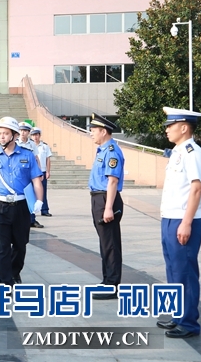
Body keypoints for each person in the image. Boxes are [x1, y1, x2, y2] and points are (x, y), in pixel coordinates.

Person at [156, 107, 201, 338]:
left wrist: (186, 223)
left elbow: (196, 188)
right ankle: (178, 315)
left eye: (171, 125)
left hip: (183, 220)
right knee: (173, 270)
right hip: (169, 218)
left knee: (185, 272)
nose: (167, 129)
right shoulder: (178, 152)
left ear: (184, 127)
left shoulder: (192, 152)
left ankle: (189, 323)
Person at [0, 116, 43, 286]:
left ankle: (15, 272)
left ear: (14, 135)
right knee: (2, 245)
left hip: (21, 206)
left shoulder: (27, 156)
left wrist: (39, 201)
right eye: (0, 134)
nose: (2, 137)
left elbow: (36, 180)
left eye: (6, 133)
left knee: (20, 245)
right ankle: (5, 281)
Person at [88, 113, 124, 300]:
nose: (91, 133)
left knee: (110, 244)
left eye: (93, 130)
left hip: (106, 199)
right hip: (99, 199)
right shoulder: (102, 150)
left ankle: (112, 285)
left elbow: (112, 181)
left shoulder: (111, 151)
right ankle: (107, 279)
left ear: (103, 131)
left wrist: (108, 207)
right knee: (105, 243)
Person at [17, 122, 43, 228]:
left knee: (31, 196)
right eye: (21, 130)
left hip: (30, 173)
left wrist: (39, 172)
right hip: (20, 173)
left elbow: (36, 158)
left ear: (28, 132)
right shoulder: (15, 143)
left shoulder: (32, 144)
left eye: (25, 131)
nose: (22, 133)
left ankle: (32, 219)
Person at [30, 127, 53, 217]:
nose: (35, 137)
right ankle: (32, 211)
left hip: (42, 171)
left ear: (39, 135)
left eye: (36, 135)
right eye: (33, 135)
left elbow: (48, 159)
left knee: (43, 191)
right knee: (32, 192)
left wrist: (48, 171)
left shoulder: (44, 146)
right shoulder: (30, 145)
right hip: (32, 173)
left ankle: (44, 209)